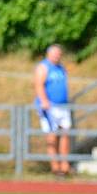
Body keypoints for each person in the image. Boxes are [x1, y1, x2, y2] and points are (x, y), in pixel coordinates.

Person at [34, 44, 72, 177]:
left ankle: (65, 165)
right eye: (55, 53)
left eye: (59, 54)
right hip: (50, 107)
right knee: (52, 136)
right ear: (49, 54)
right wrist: (44, 101)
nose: (57, 56)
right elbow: (38, 85)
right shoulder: (43, 67)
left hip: (63, 106)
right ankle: (55, 167)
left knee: (65, 134)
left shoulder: (61, 68)